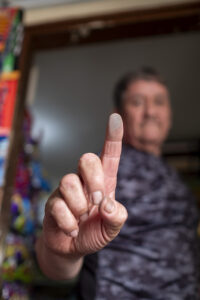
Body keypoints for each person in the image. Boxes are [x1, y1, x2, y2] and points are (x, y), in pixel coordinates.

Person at [36, 67, 199, 300]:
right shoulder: (103, 170)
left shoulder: (178, 182)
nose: (151, 111)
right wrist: (62, 254)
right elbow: (57, 259)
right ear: (119, 114)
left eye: (159, 102)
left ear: (170, 115)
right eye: (137, 102)